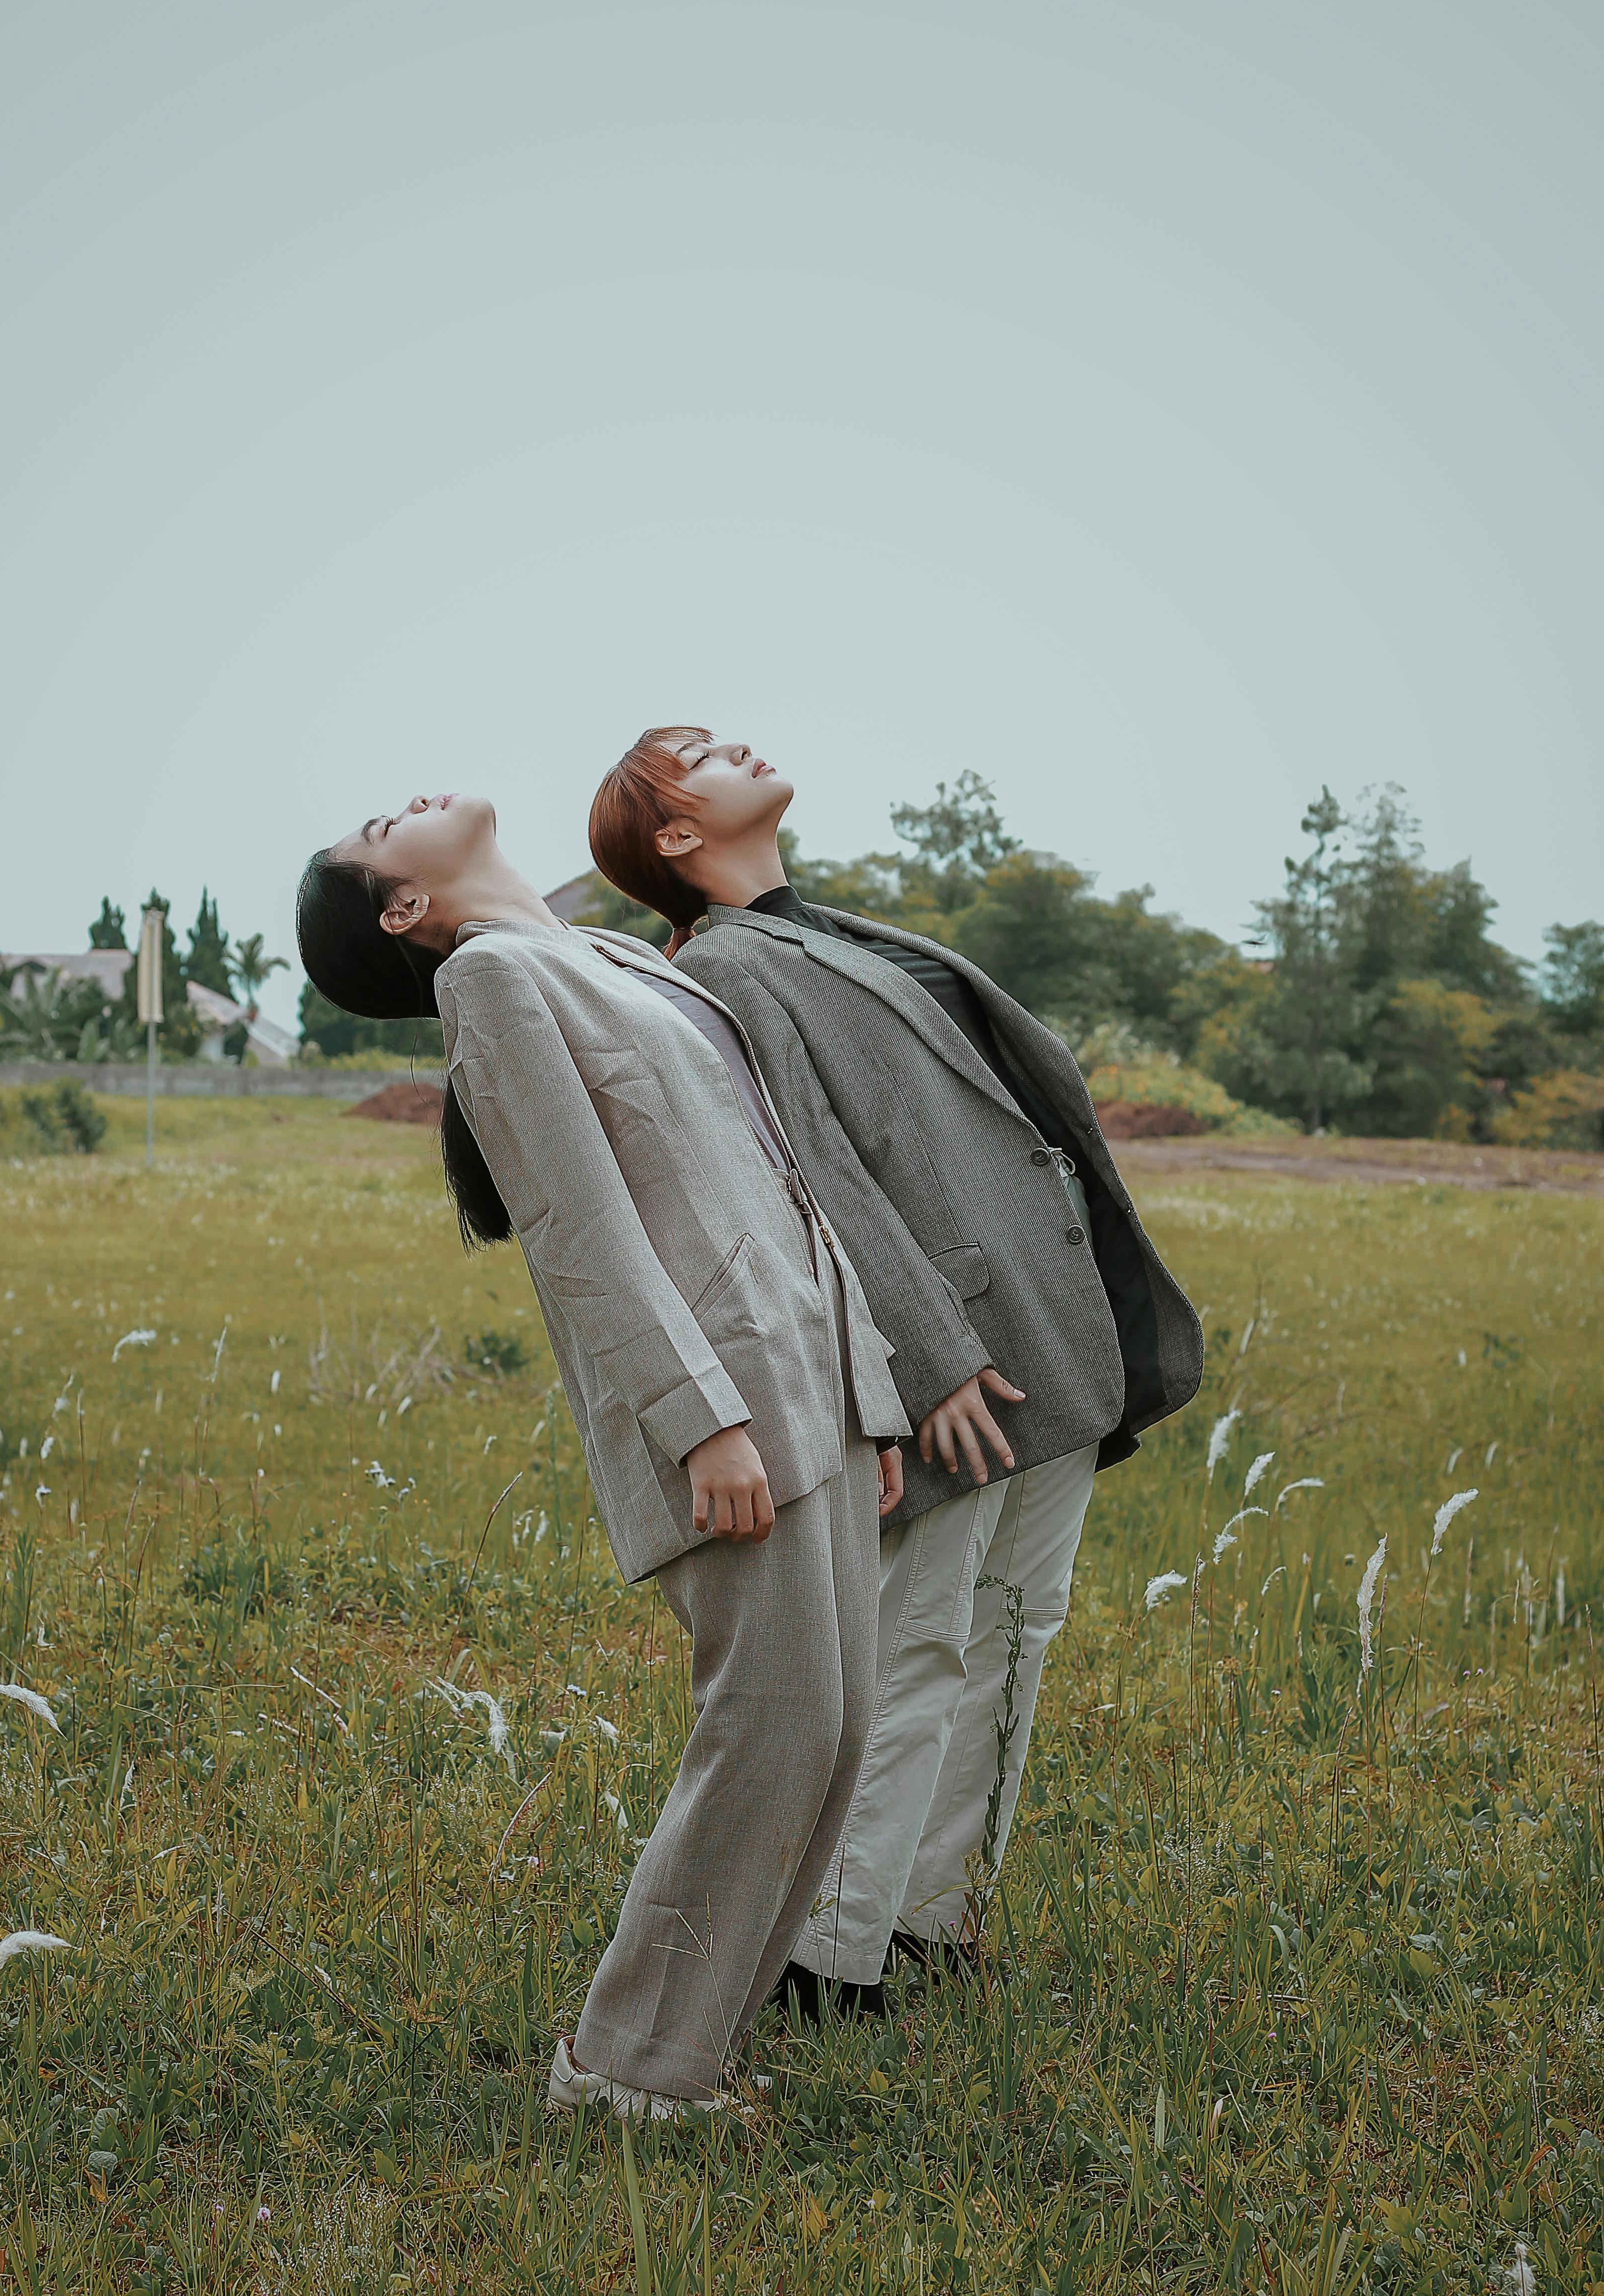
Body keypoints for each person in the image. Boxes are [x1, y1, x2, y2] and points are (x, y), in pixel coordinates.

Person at [296, 788, 907, 2113]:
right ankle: (631, 2070)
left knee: (837, 1733)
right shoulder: (494, 979)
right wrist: (701, 1422)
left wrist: (873, 1389)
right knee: (774, 1727)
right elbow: (581, 1232)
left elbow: (773, 1172)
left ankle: (691, 2052)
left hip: (815, 1374)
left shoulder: (616, 955)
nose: (399, 803)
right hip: (728, 1400)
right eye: (375, 831)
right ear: (404, 911)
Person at [588, 730, 1203, 2009]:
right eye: (698, 755)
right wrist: (926, 1360)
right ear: (676, 838)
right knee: (920, 1638)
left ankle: (932, 1922)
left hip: (1048, 1332)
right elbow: (809, 1165)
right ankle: (830, 1956)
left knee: (1016, 1633)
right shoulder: (730, 968)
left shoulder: (828, 930)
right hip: (958, 1353)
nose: (735, 743)